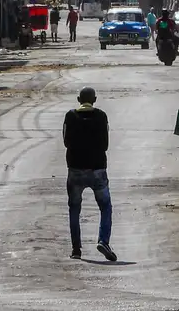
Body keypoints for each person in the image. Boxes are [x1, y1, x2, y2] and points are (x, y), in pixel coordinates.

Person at [63, 87, 117, 262]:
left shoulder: (70, 116)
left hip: (75, 170)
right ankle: (103, 241)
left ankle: (76, 249)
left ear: (78, 99)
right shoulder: (101, 116)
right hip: (97, 169)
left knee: (74, 208)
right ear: (95, 100)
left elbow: (66, 142)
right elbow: (105, 145)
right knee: (105, 207)